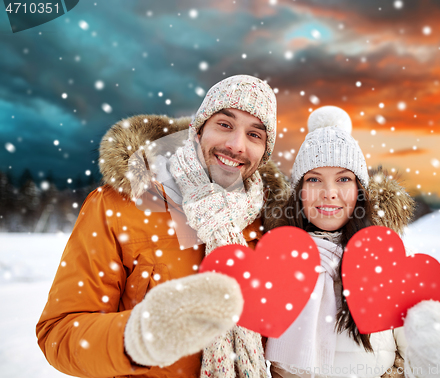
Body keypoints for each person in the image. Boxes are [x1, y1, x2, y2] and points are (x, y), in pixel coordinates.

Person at [36, 75, 289, 378]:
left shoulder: (270, 224)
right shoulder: (119, 205)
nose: (236, 145)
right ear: (199, 130)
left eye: (255, 135)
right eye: (225, 124)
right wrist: (138, 336)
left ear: (264, 154)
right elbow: (59, 333)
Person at [264, 106, 440, 378]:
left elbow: (413, 364)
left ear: (360, 191)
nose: (329, 193)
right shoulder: (277, 259)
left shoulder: (389, 259)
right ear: (299, 192)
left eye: (343, 179)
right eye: (314, 179)